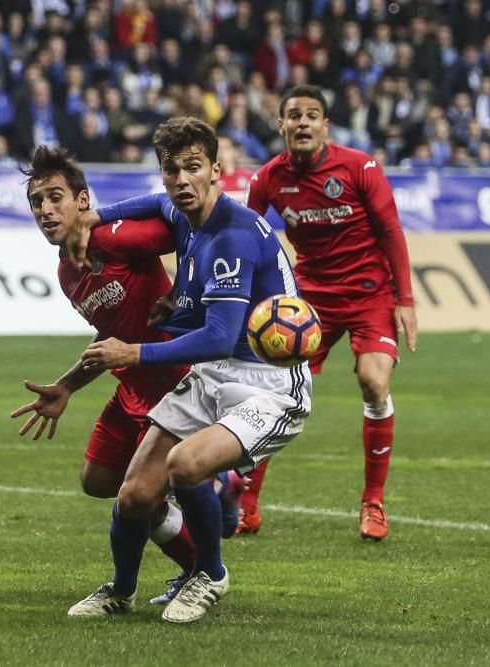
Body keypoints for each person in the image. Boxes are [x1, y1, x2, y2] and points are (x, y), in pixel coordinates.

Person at [67, 116, 312, 623]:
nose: (181, 180)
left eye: (193, 168)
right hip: (215, 373)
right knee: (134, 495)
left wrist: (134, 352)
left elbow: (221, 335)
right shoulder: (183, 214)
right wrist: (97, 218)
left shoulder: (231, 235)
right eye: (171, 169)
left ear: (216, 170)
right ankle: (121, 589)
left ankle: (211, 574)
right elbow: (152, 205)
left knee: (185, 465)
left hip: (268, 386)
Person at [12, 146, 242, 616]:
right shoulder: (66, 271)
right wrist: (68, 385)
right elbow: (112, 332)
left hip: (176, 380)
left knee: (136, 495)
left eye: (55, 197)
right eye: (37, 202)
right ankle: (210, 495)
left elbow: (186, 224)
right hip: (133, 385)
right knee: (97, 481)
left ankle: (172, 574)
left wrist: (180, 292)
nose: (45, 210)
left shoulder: (117, 238)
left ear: (83, 201)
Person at [242, 84, 418, 541]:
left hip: (369, 293)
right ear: (280, 125)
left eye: (312, 115)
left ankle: (373, 503)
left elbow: (391, 231)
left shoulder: (359, 167)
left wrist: (406, 300)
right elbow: (248, 240)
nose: (302, 122)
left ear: (325, 125)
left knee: (374, 381)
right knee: (273, 392)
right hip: (309, 300)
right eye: (294, 115)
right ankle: (246, 505)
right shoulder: (267, 179)